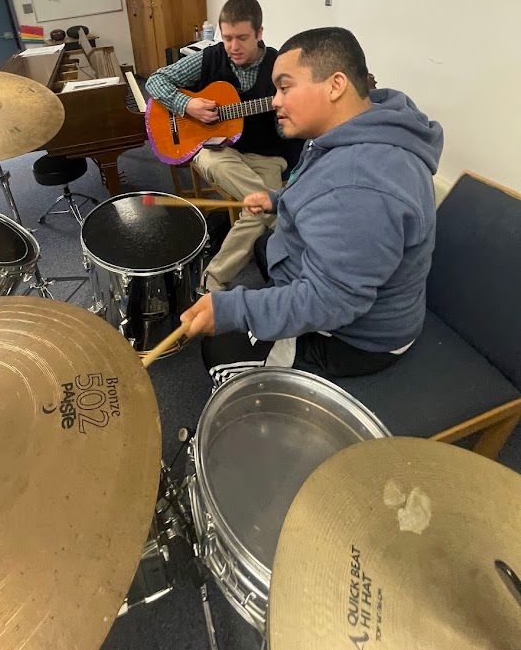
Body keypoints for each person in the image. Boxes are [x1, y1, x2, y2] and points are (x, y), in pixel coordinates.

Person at [180, 26, 444, 385]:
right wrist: (277, 200)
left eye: (285, 87)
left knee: (219, 350)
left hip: (356, 338)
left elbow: (331, 301)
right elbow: (321, 188)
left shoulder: (360, 186)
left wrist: (234, 310)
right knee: (264, 246)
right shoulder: (362, 122)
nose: (274, 100)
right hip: (349, 289)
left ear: (335, 85)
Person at [145, 0, 303, 292]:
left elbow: (290, 133)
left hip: (267, 155)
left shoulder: (280, 67)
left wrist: (286, 116)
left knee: (255, 212)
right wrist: (186, 105)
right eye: (227, 37)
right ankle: (280, 217)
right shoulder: (212, 56)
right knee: (219, 166)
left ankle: (212, 282)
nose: (233, 47)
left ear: (259, 34)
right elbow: (155, 81)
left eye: (242, 38)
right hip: (220, 151)